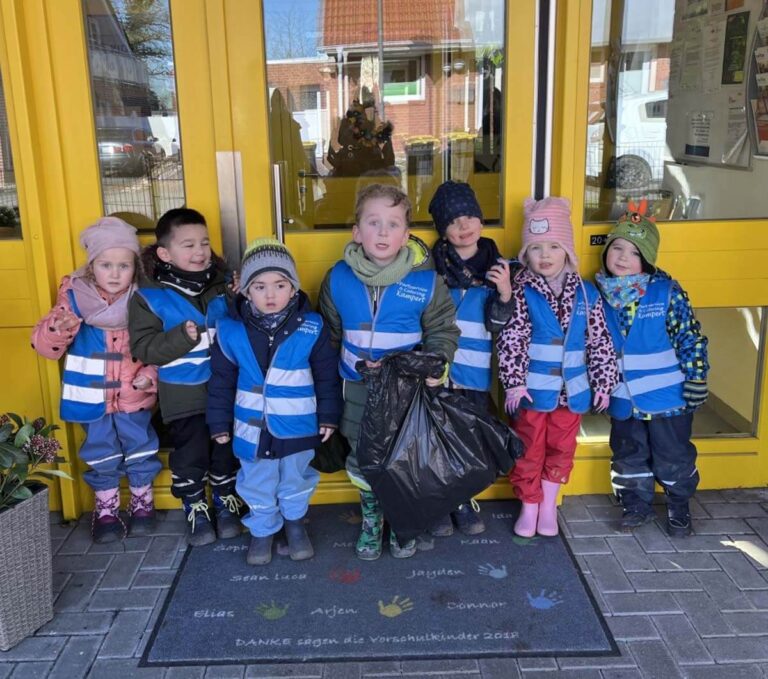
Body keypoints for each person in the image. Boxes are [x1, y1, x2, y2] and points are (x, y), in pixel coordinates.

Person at [318, 183, 459, 560]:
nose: (383, 232)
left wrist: (437, 364)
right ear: (356, 231)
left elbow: (443, 330)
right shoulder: (337, 279)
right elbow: (329, 335)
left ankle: (401, 519)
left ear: (406, 234)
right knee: (362, 455)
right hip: (357, 388)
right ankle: (371, 518)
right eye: (373, 222)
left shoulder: (426, 281)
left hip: (407, 391)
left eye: (393, 224)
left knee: (403, 456)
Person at [207, 239, 342, 565]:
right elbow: (221, 381)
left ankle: (295, 525)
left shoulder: (312, 327)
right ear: (245, 291)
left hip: (297, 424)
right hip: (252, 426)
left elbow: (326, 375)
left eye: (280, 285)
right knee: (257, 479)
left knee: (296, 476)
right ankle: (263, 530)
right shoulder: (230, 331)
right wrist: (218, 422)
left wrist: (329, 416)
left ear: (293, 289)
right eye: (260, 286)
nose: (270, 295)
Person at [31, 217, 160, 543]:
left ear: (135, 268)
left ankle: (143, 503)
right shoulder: (74, 298)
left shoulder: (145, 298)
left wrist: (151, 374)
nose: (115, 273)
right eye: (106, 265)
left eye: (123, 265)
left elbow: (160, 344)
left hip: (133, 392)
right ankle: (106, 509)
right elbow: (45, 348)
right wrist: (58, 329)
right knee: (100, 449)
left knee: (140, 445)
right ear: (91, 267)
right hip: (92, 395)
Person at [497, 197, 618, 538]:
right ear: (526, 254)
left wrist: (604, 383)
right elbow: (513, 339)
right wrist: (513, 383)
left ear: (567, 250)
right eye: (535, 248)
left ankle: (549, 504)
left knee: (562, 448)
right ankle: (530, 504)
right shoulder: (520, 291)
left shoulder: (588, 293)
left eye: (553, 246)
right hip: (532, 394)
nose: (545, 255)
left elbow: (600, 342)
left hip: (572, 394)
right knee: (528, 448)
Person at [595, 201, 709, 537]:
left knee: (673, 454)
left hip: (667, 399)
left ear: (646, 259)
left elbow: (690, 337)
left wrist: (697, 376)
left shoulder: (666, 292)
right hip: (624, 399)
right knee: (628, 454)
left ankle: (678, 504)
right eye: (617, 247)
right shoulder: (596, 293)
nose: (622, 257)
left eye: (633, 252)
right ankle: (635, 505)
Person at [129, 208, 239, 546]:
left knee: (226, 447)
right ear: (164, 254)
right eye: (188, 245)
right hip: (183, 394)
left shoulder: (221, 286)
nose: (199, 251)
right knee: (191, 452)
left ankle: (225, 499)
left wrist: (238, 298)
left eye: (204, 243)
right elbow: (145, 348)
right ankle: (196, 506)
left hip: (225, 389)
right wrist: (181, 337)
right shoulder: (148, 296)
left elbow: (239, 329)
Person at [427, 180, 515, 537]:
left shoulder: (499, 268)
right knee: (435, 436)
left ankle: (463, 500)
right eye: (452, 221)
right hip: (438, 371)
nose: (463, 226)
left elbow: (498, 325)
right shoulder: (431, 267)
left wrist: (505, 291)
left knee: (469, 438)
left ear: (481, 220)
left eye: (469, 217)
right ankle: (439, 502)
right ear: (443, 231)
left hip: (475, 374)